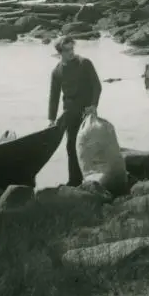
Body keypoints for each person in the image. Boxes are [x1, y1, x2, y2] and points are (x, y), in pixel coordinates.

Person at [47, 36, 103, 186]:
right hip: (70, 111)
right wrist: (51, 119)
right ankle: (75, 181)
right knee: (71, 146)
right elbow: (54, 96)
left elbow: (97, 86)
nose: (71, 52)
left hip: (87, 110)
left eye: (72, 48)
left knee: (89, 144)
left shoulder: (84, 64)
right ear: (60, 52)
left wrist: (93, 105)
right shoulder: (57, 72)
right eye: (67, 50)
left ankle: (93, 178)